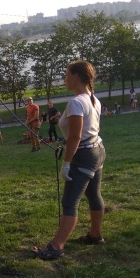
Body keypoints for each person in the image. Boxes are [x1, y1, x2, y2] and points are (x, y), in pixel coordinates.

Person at [33, 61, 106, 260]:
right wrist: (65, 146)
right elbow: (83, 133)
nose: (64, 79)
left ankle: (56, 246)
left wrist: (66, 162)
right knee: (94, 194)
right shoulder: (93, 99)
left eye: (66, 75)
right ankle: (95, 235)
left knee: (70, 201)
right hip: (97, 150)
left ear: (76, 77)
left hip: (84, 155)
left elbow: (76, 136)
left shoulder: (76, 102)